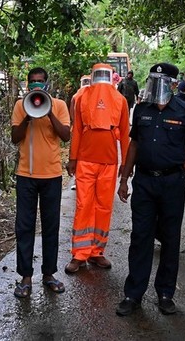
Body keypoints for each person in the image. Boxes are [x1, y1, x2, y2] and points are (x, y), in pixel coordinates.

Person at [115, 62, 185, 317]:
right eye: (154, 80)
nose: (159, 85)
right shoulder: (141, 109)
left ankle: (165, 293)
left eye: (164, 82)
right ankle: (133, 294)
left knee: (170, 237)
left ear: (174, 84)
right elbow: (134, 144)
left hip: (172, 183)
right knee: (140, 236)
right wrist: (124, 179)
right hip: (144, 182)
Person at [10, 67, 71, 298]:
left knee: (51, 227)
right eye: (33, 82)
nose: (37, 86)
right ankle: (26, 277)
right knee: (24, 227)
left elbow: (65, 135)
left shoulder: (59, 105)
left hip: (52, 176)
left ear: (47, 84)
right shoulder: (19, 105)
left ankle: (48, 274)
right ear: (28, 85)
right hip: (26, 175)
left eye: (40, 82)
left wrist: (47, 112)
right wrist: (28, 113)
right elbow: (15, 138)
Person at [65, 63, 130, 274]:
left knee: (104, 206)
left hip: (109, 161)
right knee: (84, 204)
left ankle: (96, 251)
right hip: (85, 159)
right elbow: (76, 131)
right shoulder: (82, 97)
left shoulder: (120, 100)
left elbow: (125, 133)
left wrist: (125, 165)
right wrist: (73, 158)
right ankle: (79, 254)